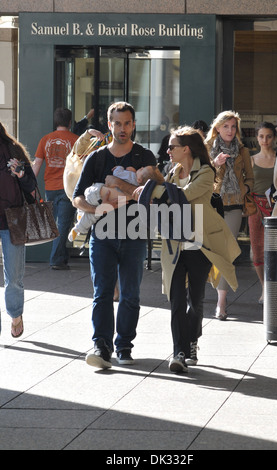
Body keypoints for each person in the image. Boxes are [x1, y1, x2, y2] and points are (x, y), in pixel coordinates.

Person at [136, 126, 241, 373]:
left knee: (195, 298)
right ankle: (179, 352)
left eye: (172, 146)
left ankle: (192, 341)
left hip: (200, 244)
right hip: (174, 244)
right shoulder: (171, 173)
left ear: (186, 149)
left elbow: (183, 196)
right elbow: (167, 199)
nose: (167, 150)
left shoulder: (205, 172)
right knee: (176, 300)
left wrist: (151, 189)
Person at [72, 101, 157, 369]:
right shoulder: (97, 158)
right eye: (117, 123)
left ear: (134, 125)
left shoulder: (145, 157)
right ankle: (101, 345)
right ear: (109, 125)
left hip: (134, 234)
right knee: (102, 293)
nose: (123, 128)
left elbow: (153, 195)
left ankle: (124, 346)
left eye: (127, 123)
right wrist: (96, 207)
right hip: (103, 235)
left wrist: (118, 185)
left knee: (131, 294)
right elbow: (76, 198)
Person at [205, 110, 254, 320]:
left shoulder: (242, 151)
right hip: (212, 205)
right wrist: (215, 164)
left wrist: (243, 191)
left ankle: (221, 303)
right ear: (217, 128)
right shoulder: (206, 150)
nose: (230, 130)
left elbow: (250, 178)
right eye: (226, 126)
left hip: (234, 205)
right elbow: (199, 177)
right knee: (208, 251)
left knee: (226, 254)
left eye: (233, 127)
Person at [0, 122, 36, 338]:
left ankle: (15, 314)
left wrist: (21, 173)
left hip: (12, 218)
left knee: (13, 275)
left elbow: (32, 185)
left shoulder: (13, 149)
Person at [33, 108, 78, 270]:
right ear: (70, 122)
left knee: (55, 225)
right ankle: (57, 259)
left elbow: (37, 163)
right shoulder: (76, 140)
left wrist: (29, 186)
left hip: (50, 188)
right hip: (68, 188)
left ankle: (62, 256)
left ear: (56, 122)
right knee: (63, 225)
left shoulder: (46, 139)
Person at [68, 165, 155, 242]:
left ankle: (80, 219)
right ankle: (78, 228)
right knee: (91, 217)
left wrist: (120, 168)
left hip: (97, 191)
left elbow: (117, 174)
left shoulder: (131, 176)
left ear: (139, 179)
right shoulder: (137, 187)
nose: (141, 167)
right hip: (100, 197)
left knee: (87, 209)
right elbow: (122, 201)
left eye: (142, 169)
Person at [248, 122, 276, 304]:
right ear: (256, 138)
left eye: (268, 136)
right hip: (255, 207)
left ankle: (274, 287)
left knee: (275, 250)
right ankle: (264, 286)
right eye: (261, 136)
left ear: (274, 138)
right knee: (257, 250)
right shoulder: (251, 160)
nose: (264, 140)